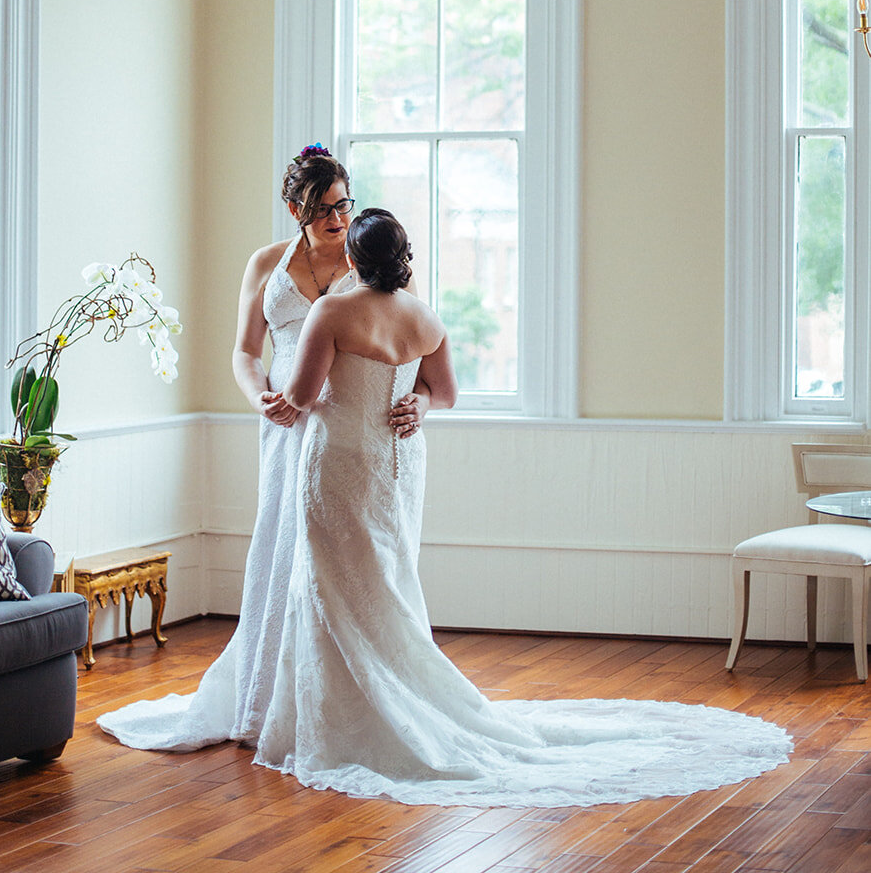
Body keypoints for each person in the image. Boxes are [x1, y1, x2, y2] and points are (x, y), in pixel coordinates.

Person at [253, 209, 792, 808]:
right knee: (388, 583)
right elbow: (447, 392)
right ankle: (400, 697)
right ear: (404, 257)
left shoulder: (331, 311)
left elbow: (301, 397)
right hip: (395, 466)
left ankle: (351, 719)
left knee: (333, 584)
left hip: (339, 463)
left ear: (353, 260)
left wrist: (270, 399)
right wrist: (418, 407)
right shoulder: (425, 317)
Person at [97, 150, 436, 752]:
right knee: (283, 546)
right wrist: (260, 397)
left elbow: (416, 351)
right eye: (322, 209)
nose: (335, 219)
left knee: (347, 559)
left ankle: (350, 696)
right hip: (285, 422)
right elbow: (244, 351)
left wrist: (422, 403)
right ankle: (269, 692)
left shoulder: (376, 264)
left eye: (342, 206)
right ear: (294, 209)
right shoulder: (265, 264)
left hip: (347, 424)